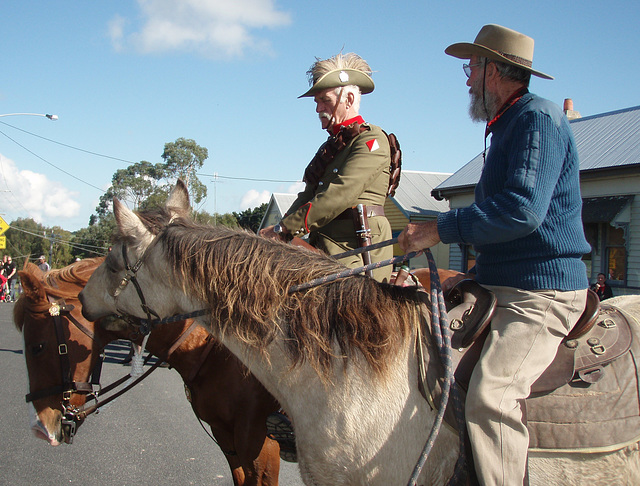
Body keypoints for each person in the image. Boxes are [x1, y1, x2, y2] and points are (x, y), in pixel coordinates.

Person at [399, 24, 590, 485]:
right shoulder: (506, 126)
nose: (466, 79)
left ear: (493, 70)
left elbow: (521, 212)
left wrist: (439, 228)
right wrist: (468, 275)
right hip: (498, 281)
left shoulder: (537, 119)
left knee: (492, 397)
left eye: (471, 67)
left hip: (541, 292)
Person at [260, 52, 394, 283]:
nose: (318, 109)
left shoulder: (371, 141)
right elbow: (308, 196)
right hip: (324, 245)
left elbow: (338, 195)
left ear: (349, 100)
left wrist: (283, 230)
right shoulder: (331, 148)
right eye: (317, 102)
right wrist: (277, 232)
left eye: (326, 101)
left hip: (358, 248)